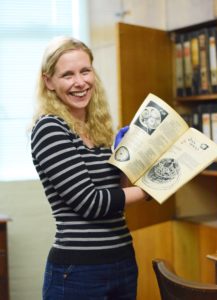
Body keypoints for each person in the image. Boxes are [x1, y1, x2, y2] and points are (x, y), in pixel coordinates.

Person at [31, 36, 149, 300]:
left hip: (123, 261)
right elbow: (90, 202)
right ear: (48, 81)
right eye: (67, 75)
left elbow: (117, 193)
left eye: (85, 71)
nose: (80, 82)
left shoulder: (99, 129)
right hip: (78, 272)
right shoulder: (50, 128)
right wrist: (150, 189)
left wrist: (135, 162)